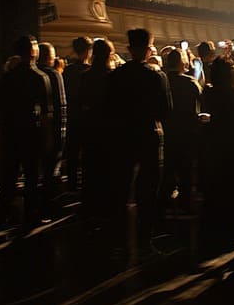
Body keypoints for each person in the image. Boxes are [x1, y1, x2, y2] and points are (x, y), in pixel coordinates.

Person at [109, 28, 172, 251]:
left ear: (129, 48)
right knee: (148, 190)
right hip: (149, 135)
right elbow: (165, 111)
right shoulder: (156, 75)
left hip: (123, 136)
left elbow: (110, 109)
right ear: (148, 49)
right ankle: (145, 241)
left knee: (121, 188)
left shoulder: (117, 75)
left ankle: (118, 240)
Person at [0, 35, 52, 228]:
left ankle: (5, 213)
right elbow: (46, 112)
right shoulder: (39, 77)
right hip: (31, 130)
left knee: (9, 174)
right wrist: (48, 137)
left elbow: (1, 107)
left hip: (11, 130)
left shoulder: (8, 77)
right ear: (32, 51)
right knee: (31, 175)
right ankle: (31, 214)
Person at [200, 57, 234, 250]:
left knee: (213, 190)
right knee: (232, 188)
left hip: (211, 147)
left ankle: (212, 230)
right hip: (232, 146)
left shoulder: (207, 93)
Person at [160, 48, 202, 216]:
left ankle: (163, 204)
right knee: (185, 172)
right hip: (186, 133)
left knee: (167, 170)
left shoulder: (162, 79)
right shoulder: (190, 83)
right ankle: (185, 204)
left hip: (167, 132)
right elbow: (198, 107)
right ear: (182, 62)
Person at [78, 37, 116, 214]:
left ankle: (89, 202)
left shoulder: (86, 76)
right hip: (109, 127)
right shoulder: (113, 77)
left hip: (91, 126)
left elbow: (82, 102)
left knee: (90, 166)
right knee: (108, 167)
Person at [62, 36, 93, 193]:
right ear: (88, 51)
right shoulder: (89, 72)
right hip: (87, 118)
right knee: (87, 153)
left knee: (73, 153)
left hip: (72, 117)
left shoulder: (67, 71)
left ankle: (72, 183)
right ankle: (86, 184)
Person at [37, 42, 67, 203]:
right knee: (51, 167)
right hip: (52, 128)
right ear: (49, 57)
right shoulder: (54, 75)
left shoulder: (32, 73)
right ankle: (49, 200)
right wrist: (62, 132)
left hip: (31, 130)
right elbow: (61, 106)